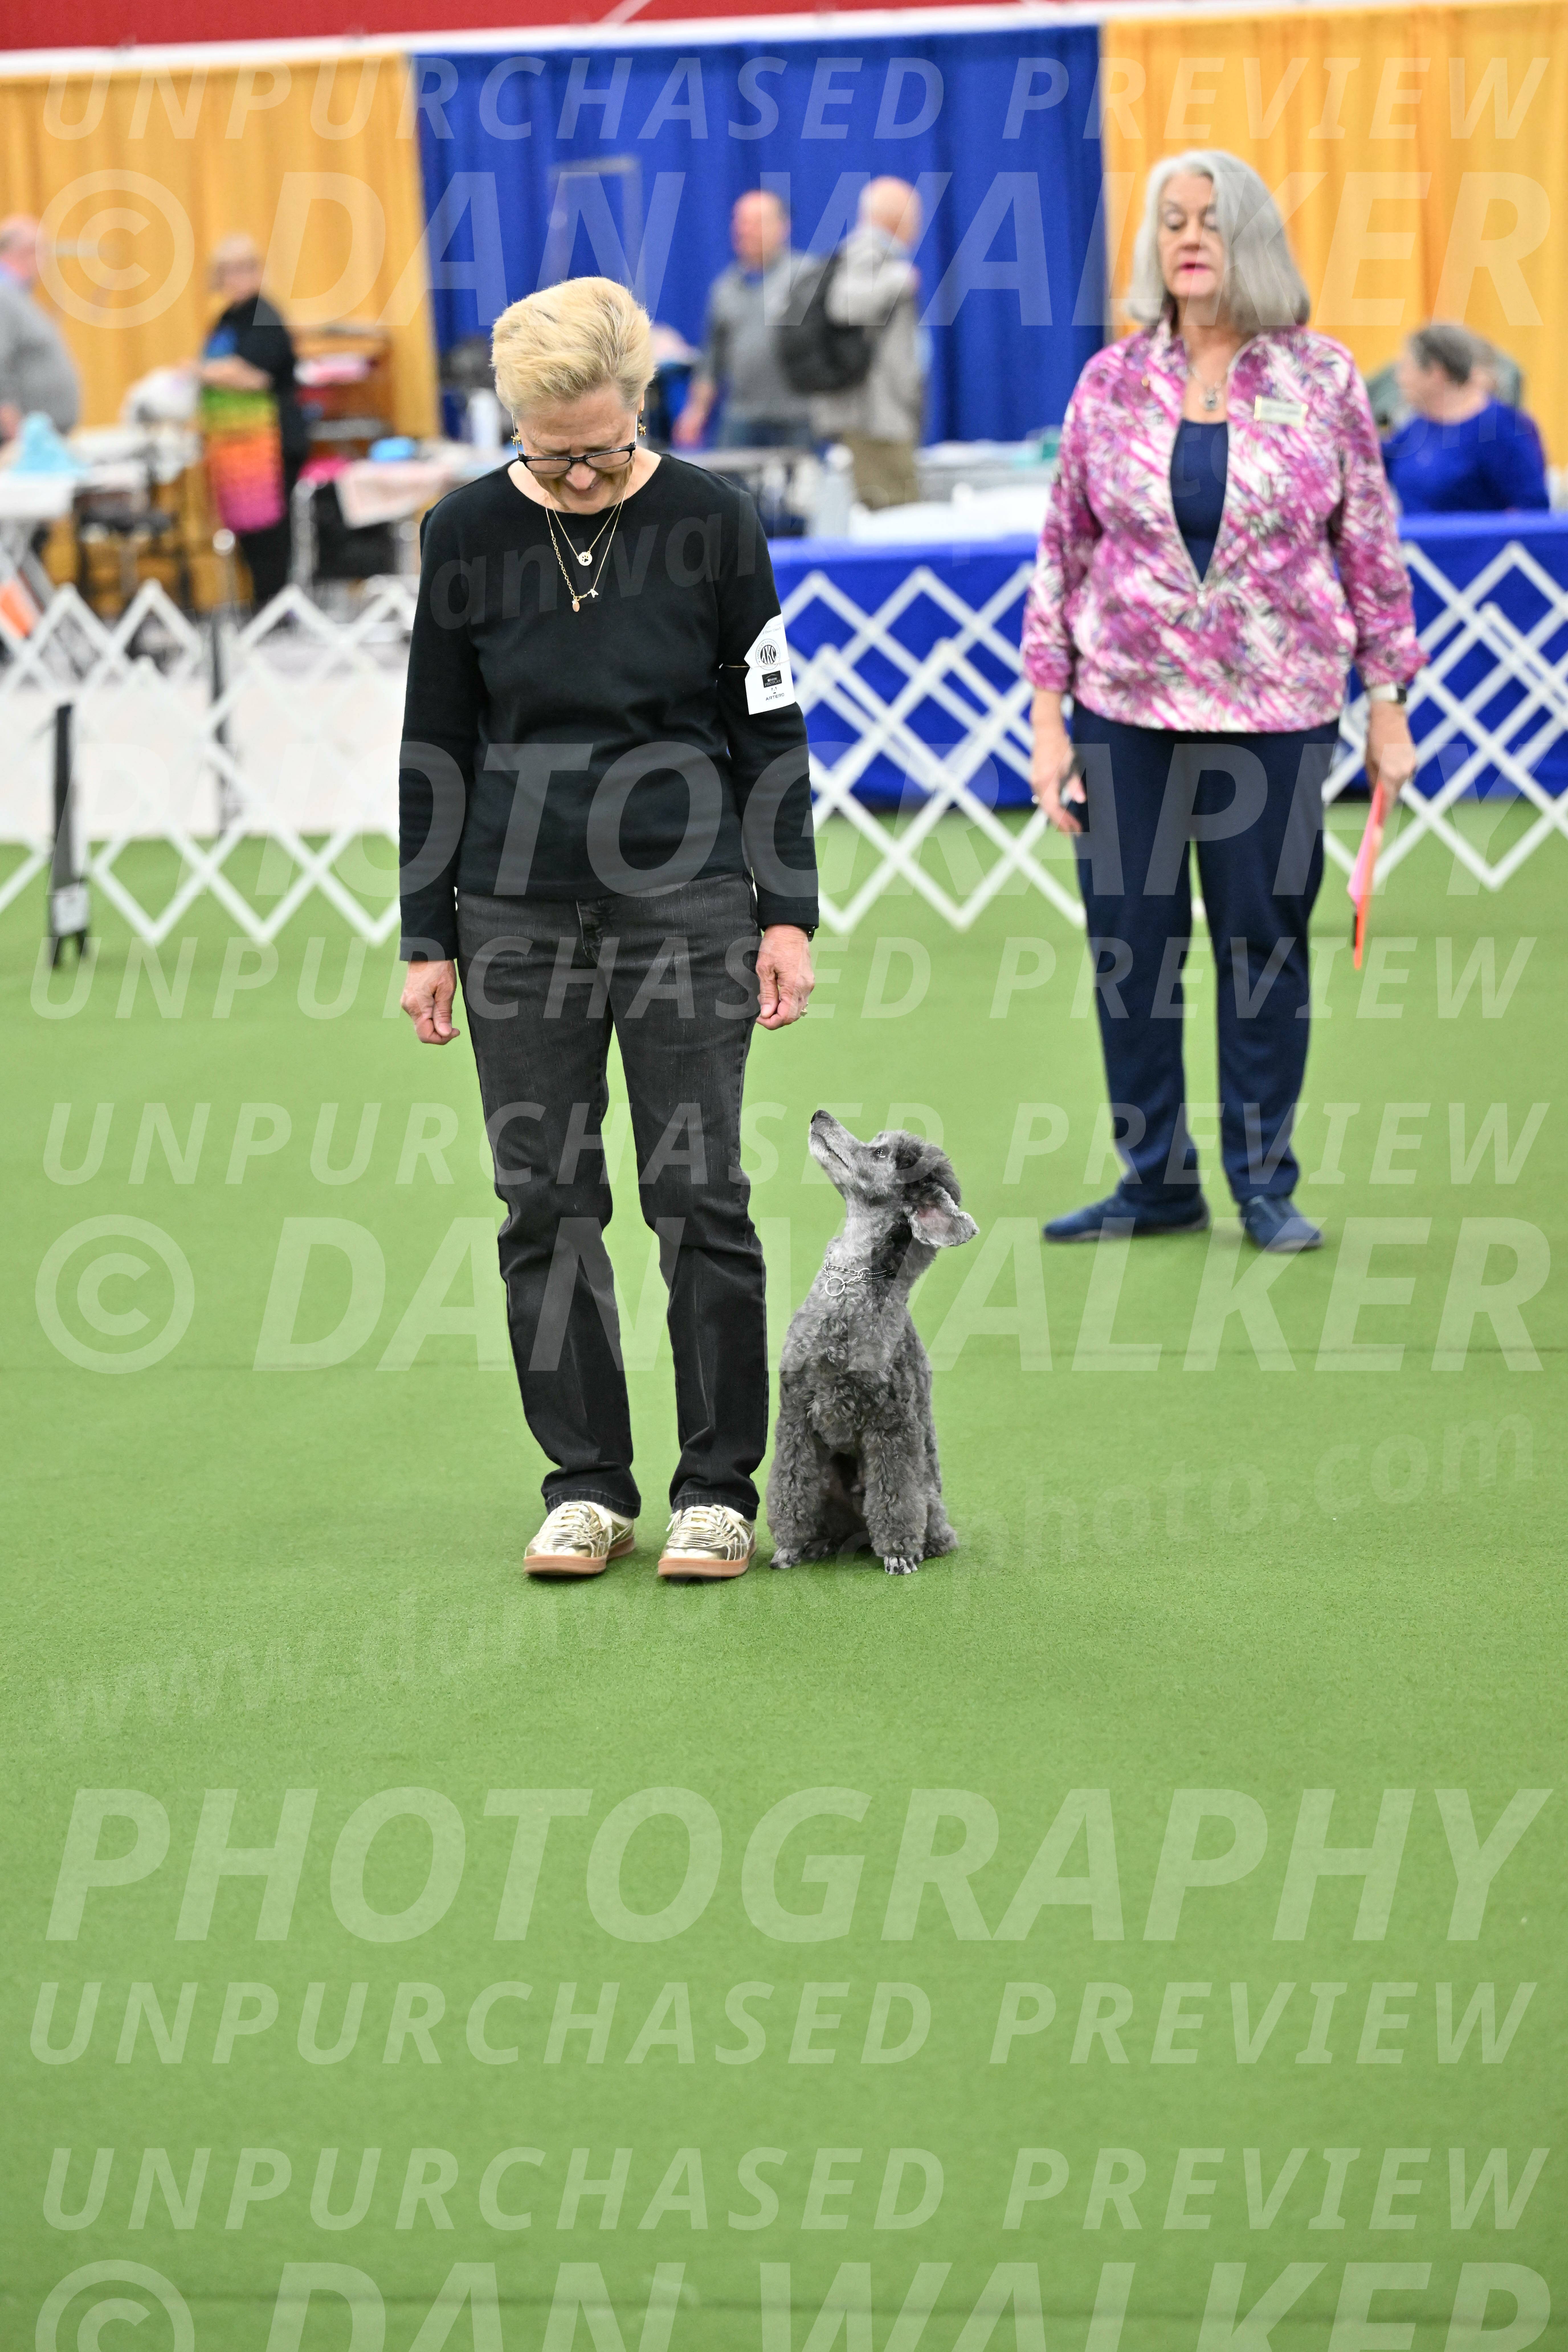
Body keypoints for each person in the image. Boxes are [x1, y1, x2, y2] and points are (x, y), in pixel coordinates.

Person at [398, 276, 818, 1582]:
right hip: (514, 908)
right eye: (553, 451)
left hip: (687, 899)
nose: (582, 473)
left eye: (605, 446)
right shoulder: (464, 532)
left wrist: (786, 910)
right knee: (545, 1203)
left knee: (699, 1193)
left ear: (642, 401)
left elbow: (769, 728)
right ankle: (585, 1483)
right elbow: (437, 740)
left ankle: (714, 1489)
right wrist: (428, 931)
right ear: (513, 422)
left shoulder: (713, 519)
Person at [1024, 149, 1423, 1254]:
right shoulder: (1107, 383)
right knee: (1130, 951)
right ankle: (1153, 1179)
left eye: (1207, 219)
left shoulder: (1324, 378)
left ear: (1247, 238)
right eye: (1168, 222)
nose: (1186, 238)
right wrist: (1047, 721)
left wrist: (1384, 700)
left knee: (1263, 946)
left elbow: (1370, 547)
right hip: (1122, 714)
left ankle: (1261, 1181)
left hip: (1278, 712)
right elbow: (1060, 551)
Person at [198, 235, 308, 608]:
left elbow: (255, 375)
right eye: (229, 271)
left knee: (271, 531)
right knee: (247, 530)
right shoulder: (227, 319)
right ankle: (261, 605)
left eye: (245, 268)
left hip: (271, 442)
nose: (237, 278)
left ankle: (276, 607)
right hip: (235, 446)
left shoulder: (266, 316)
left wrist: (200, 371)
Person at [811, 178, 925, 510]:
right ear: (898, 217)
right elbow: (842, 304)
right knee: (896, 518)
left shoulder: (878, 254)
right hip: (875, 420)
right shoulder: (870, 250)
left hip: (879, 417)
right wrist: (899, 281)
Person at [673, 191, 814, 452]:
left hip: (797, 420)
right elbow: (712, 362)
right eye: (741, 222)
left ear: (783, 227)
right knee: (730, 488)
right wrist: (696, 413)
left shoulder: (807, 279)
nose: (746, 230)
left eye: (757, 222)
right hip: (741, 419)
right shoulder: (725, 289)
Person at [1382, 323, 1549, 515]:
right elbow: (1373, 466)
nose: (1399, 379)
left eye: (1406, 368)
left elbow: (1532, 509)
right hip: (1414, 544)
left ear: (1436, 373)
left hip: (1477, 544)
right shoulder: (1417, 427)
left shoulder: (1500, 428)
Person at [0, 215, 80, 440]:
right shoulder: (3, 296)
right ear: (28, 252)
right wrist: (8, 418)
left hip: (39, 436)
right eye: (44, 252)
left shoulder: (17, 296)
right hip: (20, 439)